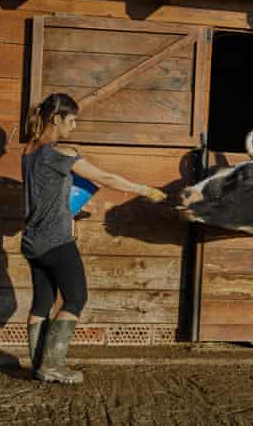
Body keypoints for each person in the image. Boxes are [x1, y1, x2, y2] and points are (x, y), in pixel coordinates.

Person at [22, 93, 166, 384]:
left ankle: (40, 364)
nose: (73, 126)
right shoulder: (60, 155)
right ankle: (52, 365)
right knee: (76, 298)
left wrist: (69, 208)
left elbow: (46, 193)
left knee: (42, 303)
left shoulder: (29, 152)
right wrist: (144, 189)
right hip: (57, 241)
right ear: (56, 119)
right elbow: (106, 178)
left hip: (33, 241)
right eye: (72, 120)